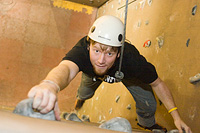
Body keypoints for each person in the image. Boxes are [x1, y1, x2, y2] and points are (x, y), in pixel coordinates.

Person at [28, 15, 192, 133]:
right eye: (96, 50)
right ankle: (82, 97)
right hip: (90, 73)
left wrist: (176, 117)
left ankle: (147, 124)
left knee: (149, 103)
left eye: (109, 54)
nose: (100, 60)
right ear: (88, 46)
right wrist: (50, 84)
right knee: (85, 92)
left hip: (126, 75)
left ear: (119, 54)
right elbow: (66, 69)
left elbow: (157, 83)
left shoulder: (131, 60)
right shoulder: (82, 50)